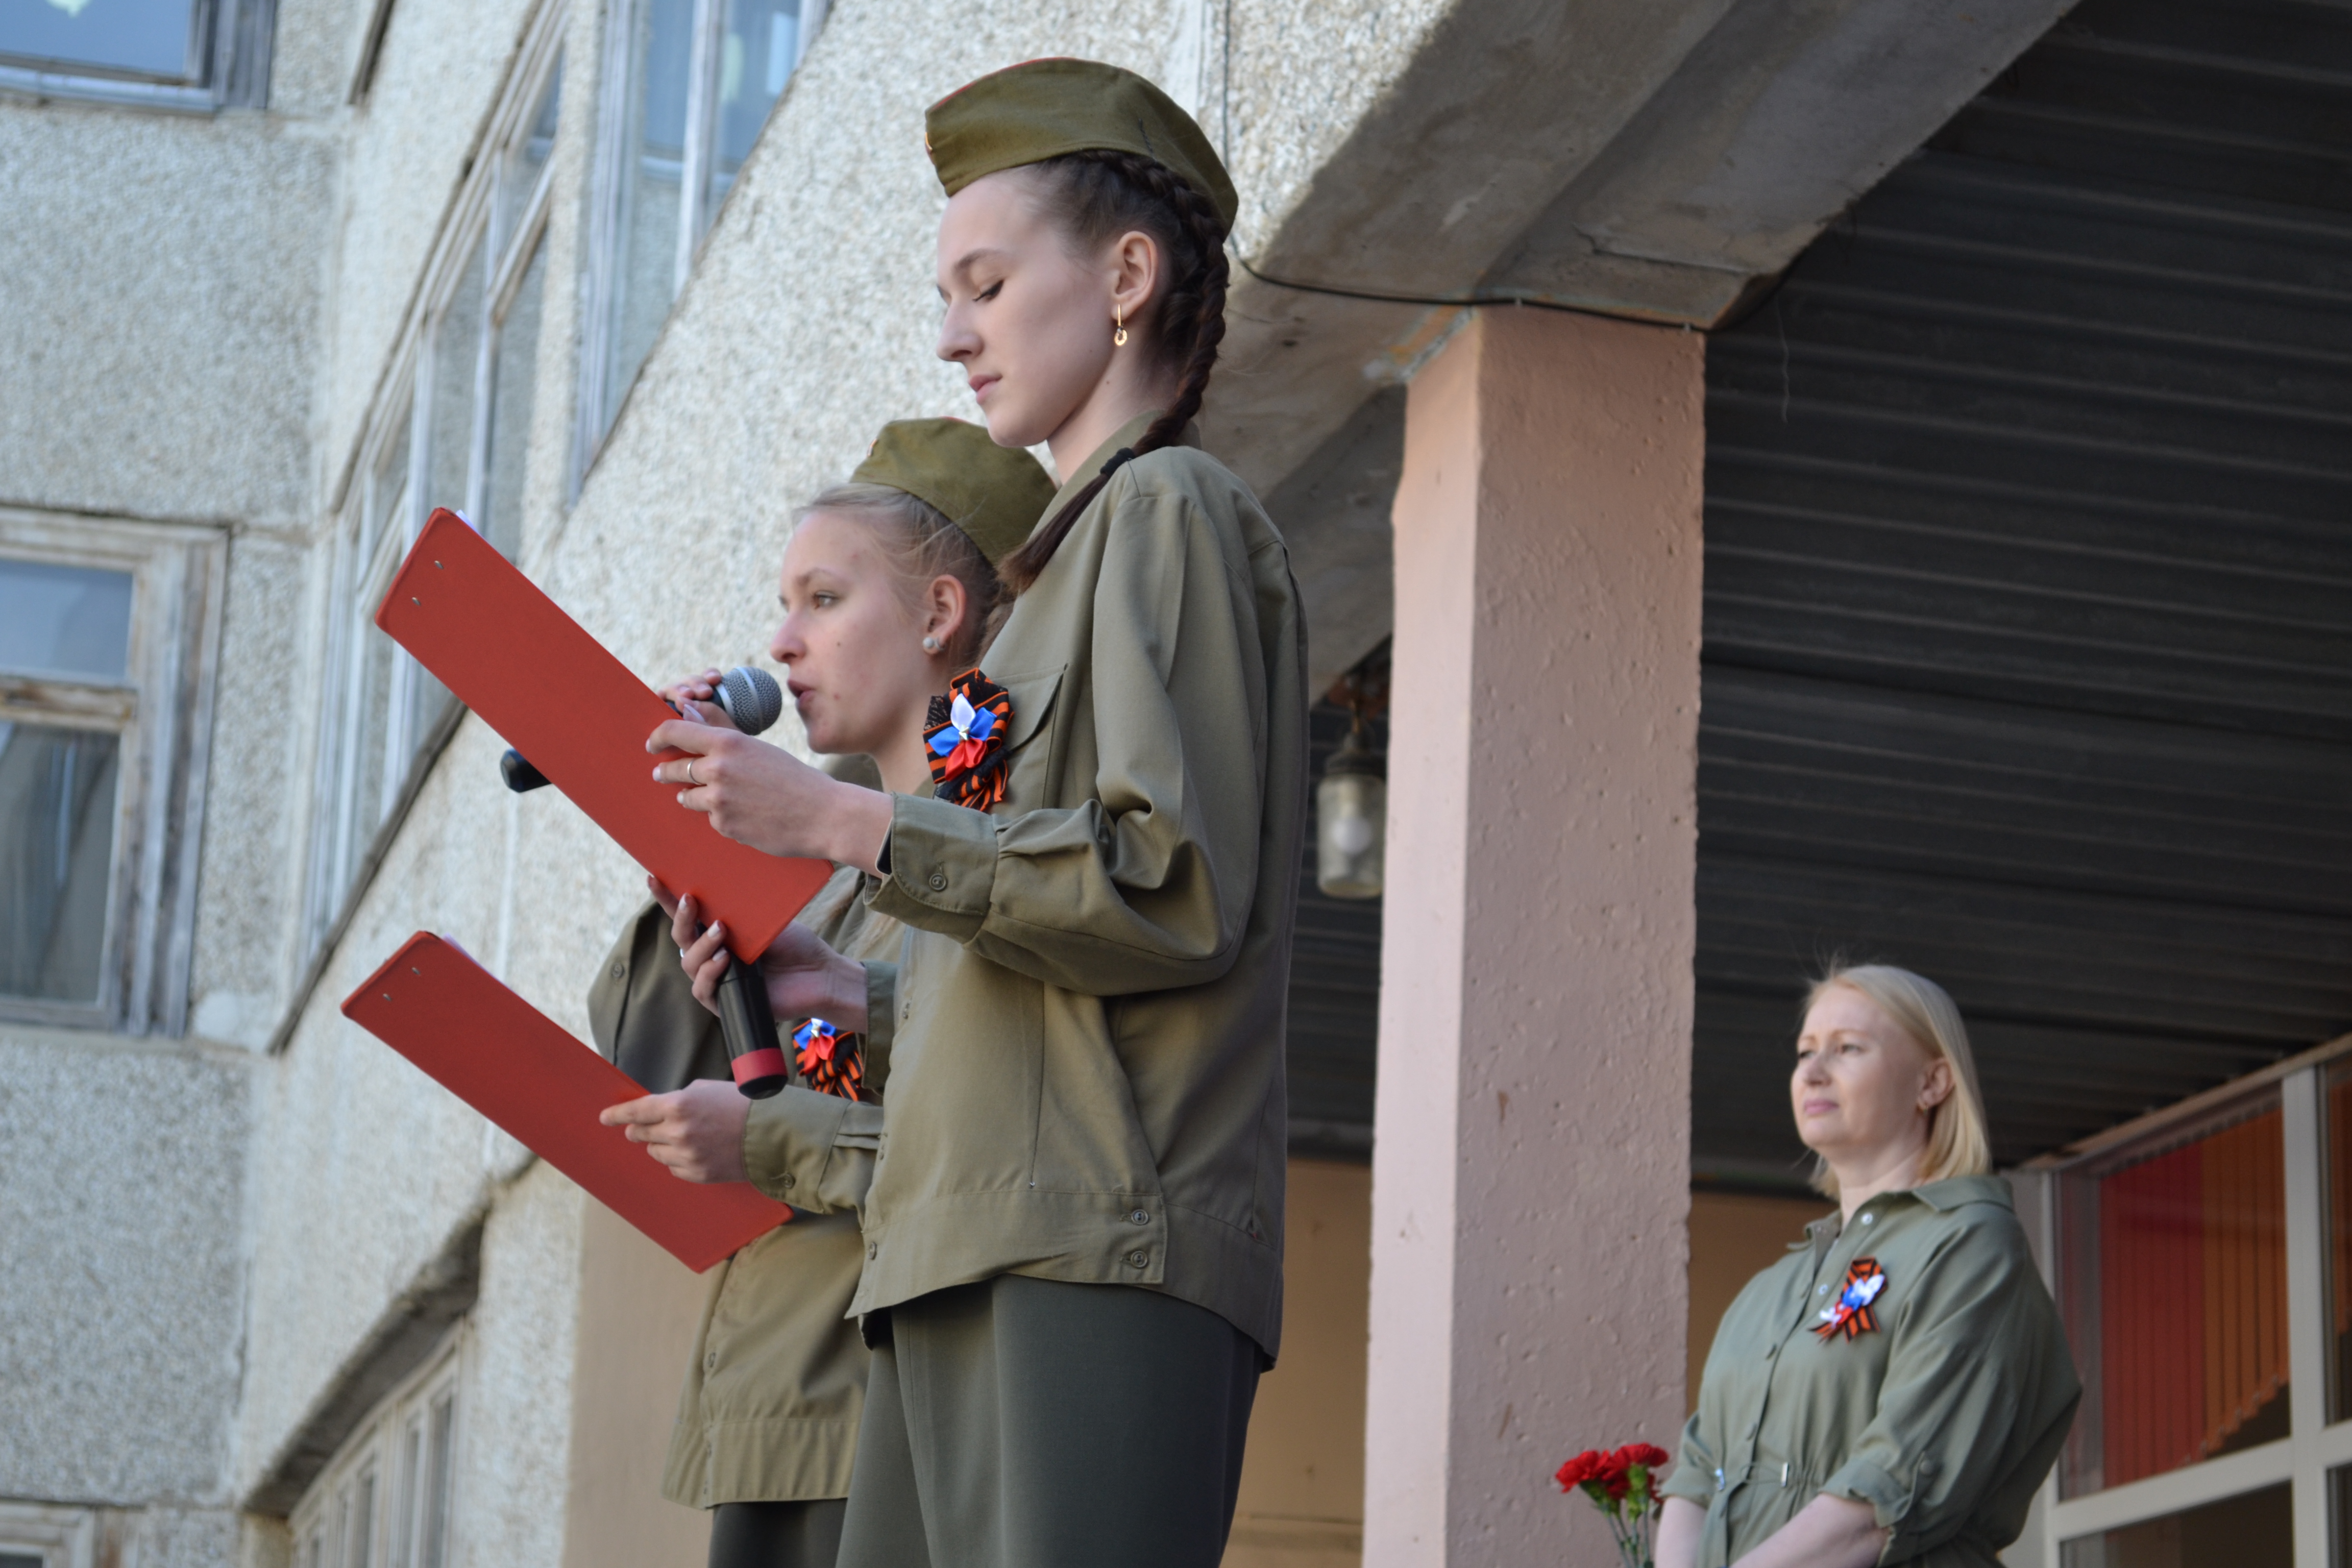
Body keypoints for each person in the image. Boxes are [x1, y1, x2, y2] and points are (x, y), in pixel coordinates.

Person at [619, 58, 1308, 1568]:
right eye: (949, 296)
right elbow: (1040, 975)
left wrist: (844, 825)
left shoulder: (1168, 511)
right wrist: (846, 995)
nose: (952, 335)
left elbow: (1165, 891)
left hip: (1087, 1242)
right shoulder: (1055, 590)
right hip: (955, 1245)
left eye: (985, 286)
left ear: (1125, 279)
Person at [592, 418, 1055, 1568]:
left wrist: (771, 1140)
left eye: (825, 601)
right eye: (784, 606)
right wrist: (690, 835)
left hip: (892, 1410)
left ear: (940, 614)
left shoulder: (1012, 848)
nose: (781, 643)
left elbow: (1002, 1146)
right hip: (774, 1408)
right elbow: (654, 1068)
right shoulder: (831, 880)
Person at [1656, 965, 2080, 1568]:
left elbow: (1885, 1496)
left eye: (1848, 1048)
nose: (1813, 1071)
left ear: (1932, 1082)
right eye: (1805, 1052)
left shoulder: (1971, 1244)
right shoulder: (1770, 1289)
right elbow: (1698, 1476)